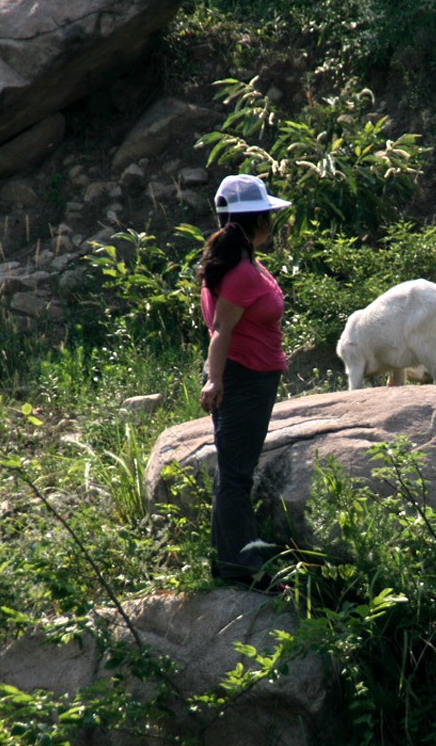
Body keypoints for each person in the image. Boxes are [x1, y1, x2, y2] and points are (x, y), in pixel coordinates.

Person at [197, 174, 292, 591]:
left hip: (254, 376)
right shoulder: (238, 270)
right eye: (268, 216)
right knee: (236, 476)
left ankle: (229, 562)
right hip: (243, 379)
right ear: (252, 220)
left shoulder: (242, 260)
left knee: (235, 472)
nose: (272, 223)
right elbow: (220, 331)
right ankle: (244, 571)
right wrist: (214, 380)